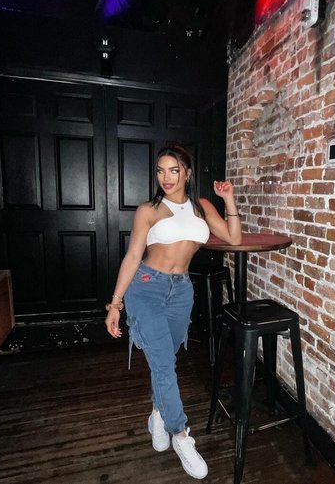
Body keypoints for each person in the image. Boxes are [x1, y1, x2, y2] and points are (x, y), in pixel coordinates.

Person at [105, 143, 242, 480]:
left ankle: (157, 412)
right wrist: (115, 303)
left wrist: (228, 199)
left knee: (165, 360)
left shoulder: (202, 207)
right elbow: (133, 256)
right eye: (160, 171)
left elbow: (233, 238)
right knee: (164, 365)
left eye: (174, 170)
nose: (166, 177)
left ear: (187, 173)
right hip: (146, 288)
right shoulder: (148, 210)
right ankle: (181, 435)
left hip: (181, 291)